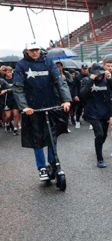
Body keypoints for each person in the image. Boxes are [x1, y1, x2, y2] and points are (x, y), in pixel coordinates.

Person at [12, 40, 71, 181]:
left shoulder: (48, 62)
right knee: (37, 138)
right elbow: (18, 87)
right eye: (32, 50)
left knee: (52, 136)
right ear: (26, 50)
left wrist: (66, 99)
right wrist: (24, 106)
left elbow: (59, 81)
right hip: (32, 109)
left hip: (51, 105)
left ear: (40, 49)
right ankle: (42, 168)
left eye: (37, 49)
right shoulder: (21, 65)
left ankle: (53, 163)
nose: (35, 52)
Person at [80, 63, 112, 168]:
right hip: (92, 113)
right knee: (99, 134)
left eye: (100, 74)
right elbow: (83, 95)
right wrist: (91, 80)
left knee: (103, 136)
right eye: (96, 74)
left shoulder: (106, 80)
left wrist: (110, 79)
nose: (99, 76)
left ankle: (98, 147)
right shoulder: (86, 80)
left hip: (105, 112)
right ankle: (100, 159)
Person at [56, 62, 74, 132]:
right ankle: (58, 127)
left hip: (66, 94)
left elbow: (72, 82)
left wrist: (65, 79)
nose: (58, 68)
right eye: (56, 67)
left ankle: (66, 127)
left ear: (62, 67)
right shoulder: (54, 74)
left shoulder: (66, 73)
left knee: (66, 112)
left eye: (59, 66)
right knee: (58, 112)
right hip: (58, 95)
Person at [3, 67, 20, 135]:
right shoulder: (3, 80)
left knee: (16, 114)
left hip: (15, 99)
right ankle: (8, 123)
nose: (9, 73)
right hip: (6, 99)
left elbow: (17, 87)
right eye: (7, 72)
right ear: (5, 72)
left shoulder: (15, 79)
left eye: (10, 72)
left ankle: (15, 129)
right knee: (8, 116)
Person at [73, 64, 89, 129]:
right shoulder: (77, 77)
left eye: (86, 69)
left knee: (88, 109)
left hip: (87, 96)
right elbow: (74, 87)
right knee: (79, 109)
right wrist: (75, 95)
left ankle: (90, 121)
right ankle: (77, 121)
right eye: (83, 69)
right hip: (79, 96)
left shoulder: (90, 76)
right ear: (81, 69)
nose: (85, 70)